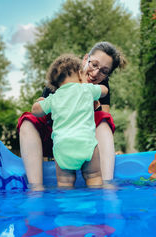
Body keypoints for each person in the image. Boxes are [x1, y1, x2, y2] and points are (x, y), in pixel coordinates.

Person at [17, 42, 126, 189]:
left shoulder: (95, 88)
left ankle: (106, 183)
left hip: (85, 141)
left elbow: (104, 118)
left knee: (104, 120)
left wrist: (95, 106)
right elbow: (40, 115)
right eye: (94, 65)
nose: (95, 74)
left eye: (103, 71)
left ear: (107, 74)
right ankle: (36, 186)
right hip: (57, 142)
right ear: (85, 59)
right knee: (27, 120)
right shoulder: (61, 82)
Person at [32, 54, 108, 187]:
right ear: (80, 73)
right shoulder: (86, 89)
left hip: (63, 147)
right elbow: (104, 90)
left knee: (64, 182)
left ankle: (68, 206)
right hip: (86, 143)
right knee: (94, 176)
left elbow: (36, 111)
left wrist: (40, 102)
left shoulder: (53, 97)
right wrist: (87, 85)